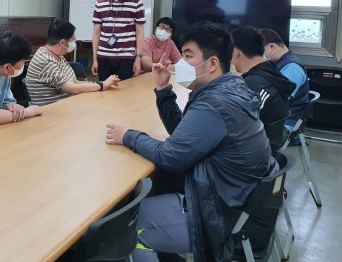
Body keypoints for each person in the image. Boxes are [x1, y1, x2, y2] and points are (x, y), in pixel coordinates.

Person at [105, 22, 276, 262]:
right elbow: (184, 136)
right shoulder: (231, 87)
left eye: (188, 56)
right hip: (233, 198)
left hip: (218, 213)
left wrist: (128, 136)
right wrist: (163, 89)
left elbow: (169, 156)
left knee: (128, 227)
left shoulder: (214, 104)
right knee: (151, 190)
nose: (180, 64)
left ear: (212, 63)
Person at [24, 18, 119, 106]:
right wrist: (103, 85)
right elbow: (72, 88)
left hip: (68, 106)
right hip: (54, 112)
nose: (74, 43)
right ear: (62, 43)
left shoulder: (56, 55)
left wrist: (102, 83)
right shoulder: (45, 61)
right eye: (72, 40)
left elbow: (75, 82)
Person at [231, 26, 295, 152]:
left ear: (236, 53)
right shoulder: (271, 72)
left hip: (253, 153)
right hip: (264, 144)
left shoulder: (253, 86)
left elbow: (235, 126)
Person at [92, 0, 145, 81]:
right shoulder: (100, 3)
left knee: (125, 89)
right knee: (104, 89)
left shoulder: (136, 3)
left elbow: (140, 33)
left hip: (126, 57)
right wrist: (95, 59)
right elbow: (96, 33)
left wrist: (138, 59)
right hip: (104, 56)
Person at [259, 28, 310, 138]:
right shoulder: (277, 64)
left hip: (284, 124)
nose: (259, 55)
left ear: (271, 46)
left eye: (260, 51)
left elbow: (277, 101)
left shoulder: (292, 68)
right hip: (276, 119)